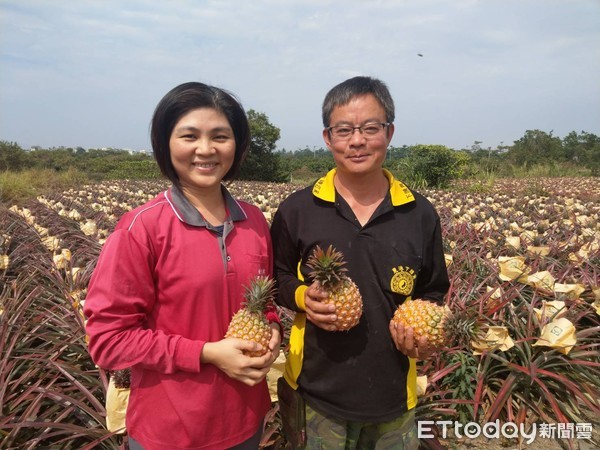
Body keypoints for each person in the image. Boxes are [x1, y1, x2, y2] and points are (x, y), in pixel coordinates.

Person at [84, 81, 281, 450]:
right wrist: (206, 353)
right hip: (171, 431)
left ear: (236, 145)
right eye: (189, 135)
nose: (205, 149)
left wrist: (272, 333)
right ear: (166, 142)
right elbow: (108, 341)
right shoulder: (140, 228)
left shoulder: (254, 221)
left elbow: (264, 305)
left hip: (246, 422)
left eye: (220, 136)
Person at [270, 76, 450, 449]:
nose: (357, 141)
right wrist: (304, 297)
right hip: (315, 392)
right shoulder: (297, 210)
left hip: (395, 393)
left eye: (370, 128)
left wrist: (428, 331)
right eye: (344, 130)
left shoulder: (419, 213)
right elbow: (279, 276)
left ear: (389, 132)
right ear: (327, 137)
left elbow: (433, 289)